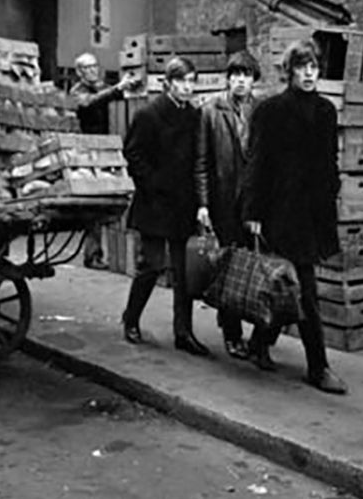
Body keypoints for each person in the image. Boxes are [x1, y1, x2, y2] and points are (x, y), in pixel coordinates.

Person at [241, 40, 347, 394]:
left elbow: (330, 160)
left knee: (285, 286)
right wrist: (253, 212)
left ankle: (259, 342)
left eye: (313, 67)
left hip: (315, 213)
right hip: (281, 212)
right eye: (301, 68)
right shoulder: (270, 111)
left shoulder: (326, 111)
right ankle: (319, 367)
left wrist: (332, 192)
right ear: (289, 72)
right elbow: (257, 164)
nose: (309, 74)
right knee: (306, 291)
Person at [121, 56, 209, 357]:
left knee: (183, 273)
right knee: (152, 265)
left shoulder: (193, 116)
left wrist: (199, 202)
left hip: (182, 204)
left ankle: (183, 332)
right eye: (182, 81)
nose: (187, 87)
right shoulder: (149, 114)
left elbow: (198, 160)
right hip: (155, 204)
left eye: (191, 81)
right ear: (168, 83)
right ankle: (130, 319)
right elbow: (133, 155)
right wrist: (153, 185)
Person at [194, 50, 261, 360]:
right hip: (223, 202)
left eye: (246, 76)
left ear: (253, 80)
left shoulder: (260, 111)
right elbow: (202, 161)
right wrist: (204, 203)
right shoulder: (211, 110)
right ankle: (232, 334)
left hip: (252, 203)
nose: (240, 81)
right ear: (227, 79)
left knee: (254, 265)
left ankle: (256, 335)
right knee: (230, 265)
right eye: (235, 76)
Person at [70, 52, 141, 269]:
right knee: (94, 203)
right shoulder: (77, 91)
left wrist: (129, 87)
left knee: (112, 200)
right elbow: (88, 104)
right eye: (87, 68)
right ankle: (92, 255)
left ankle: (110, 252)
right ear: (79, 72)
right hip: (88, 152)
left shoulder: (102, 86)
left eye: (94, 66)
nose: (93, 70)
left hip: (109, 149)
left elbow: (115, 97)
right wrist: (118, 88)